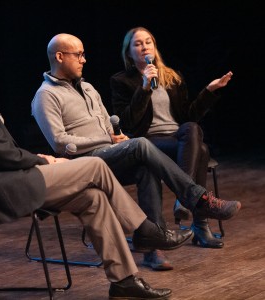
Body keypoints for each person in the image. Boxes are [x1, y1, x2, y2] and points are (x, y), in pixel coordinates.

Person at [0, 27, 202, 300]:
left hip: (17, 176)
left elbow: (1, 151)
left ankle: (124, 279)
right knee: (99, 165)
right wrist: (42, 159)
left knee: (93, 198)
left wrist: (111, 138)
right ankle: (146, 230)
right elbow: (3, 155)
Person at [31, 33, 241, 271]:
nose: (84, 60)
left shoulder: (88, 88)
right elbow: (60, 143)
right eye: (78, 54)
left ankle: (152, 246)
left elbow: (108, 123)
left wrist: (116, 136)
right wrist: (108, 138)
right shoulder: (45, 95)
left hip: (109, 156)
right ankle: (198, 199)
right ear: (59, 56)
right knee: (141, 144)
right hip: (82, 165)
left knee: (146, 167)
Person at [110, 26, 234, 250]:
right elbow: (129, 123)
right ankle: (198, 222)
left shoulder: (172, 77)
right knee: (202, 150)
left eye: (148, 42)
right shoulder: (121, 81)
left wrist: (209, 91)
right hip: (148, 142)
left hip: (178, 138)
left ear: (154, 48)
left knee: (192, 129)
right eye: (137, 44)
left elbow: (189, 116)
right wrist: (145, 88)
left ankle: (186, 200)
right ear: (129, 52)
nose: (144, 47)